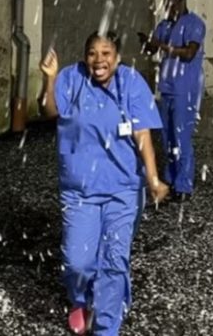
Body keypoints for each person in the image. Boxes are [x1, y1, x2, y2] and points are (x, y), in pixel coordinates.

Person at [39, 31, 170, 335]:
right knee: (78, 262)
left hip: (123, 188)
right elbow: (49, 110)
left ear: (118, 57)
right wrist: (51, 78)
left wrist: (152, 178)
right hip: (81, 188)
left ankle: (107, 326)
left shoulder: (131, 82)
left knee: (113, 260)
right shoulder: (72, 78)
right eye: (93, 54)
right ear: (85, 57)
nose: (99, 61)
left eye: (106, 53)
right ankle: (81, 300)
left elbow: (142, 134)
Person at [139, 0, 206, 199]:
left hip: (185, 88)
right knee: (167, 137)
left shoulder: (195, 24)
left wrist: (164, 46)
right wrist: (147, 44)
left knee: (181, 137)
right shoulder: (165, 24)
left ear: (182, 2)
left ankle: (184, 185)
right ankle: (170, 178)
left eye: (174, 4)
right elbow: (153, 48)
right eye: (167, 4)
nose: (170, 8)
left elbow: (189, 53)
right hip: (167, 88)